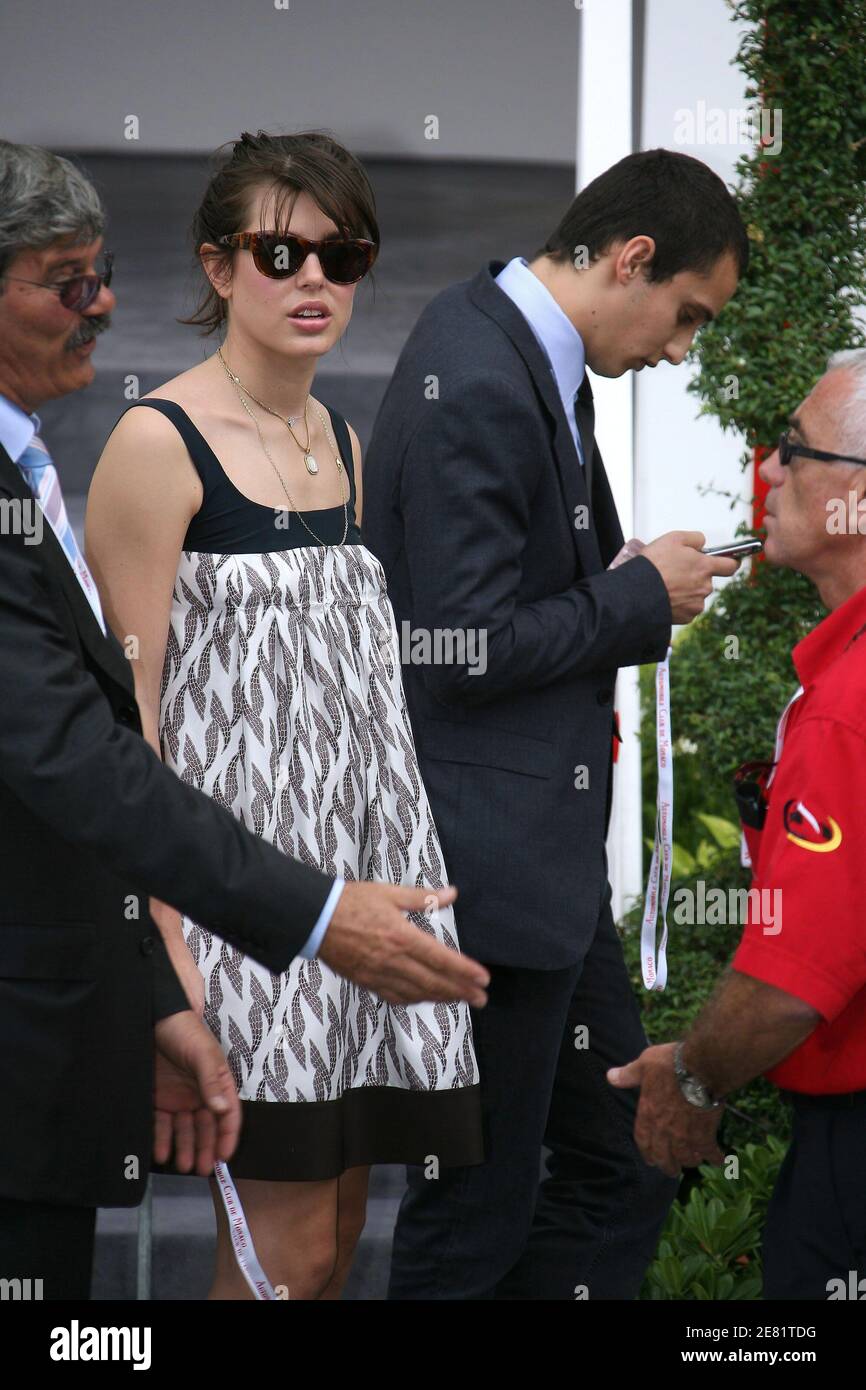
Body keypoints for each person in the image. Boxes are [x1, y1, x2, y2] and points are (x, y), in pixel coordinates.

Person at [0, 138, 489, 1302]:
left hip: (355, 884)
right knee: (286, 1258)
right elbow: (125, 726)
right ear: (218, 266)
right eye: (280, 251)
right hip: (236, 903)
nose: (313, 276)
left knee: (333, 1237)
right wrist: (167, 956)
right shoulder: (154, 444)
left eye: (343, 253)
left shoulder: (346, 446)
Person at [362, 147, 746, 1299]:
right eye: (686, 315)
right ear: (630, 258)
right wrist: (634, 598)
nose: (681, 350)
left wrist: (615, 575)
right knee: (472, 1210)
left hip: (539, 872)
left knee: (624, 1163)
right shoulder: (479, 368)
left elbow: (508, 597)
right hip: (483, 868)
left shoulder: (525, 350)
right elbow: (458, 644)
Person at [610, 349, 866, 1300]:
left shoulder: (851, 705)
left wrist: (694, 1080)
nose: (763, 469)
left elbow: (793, 981)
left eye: (791, 451)